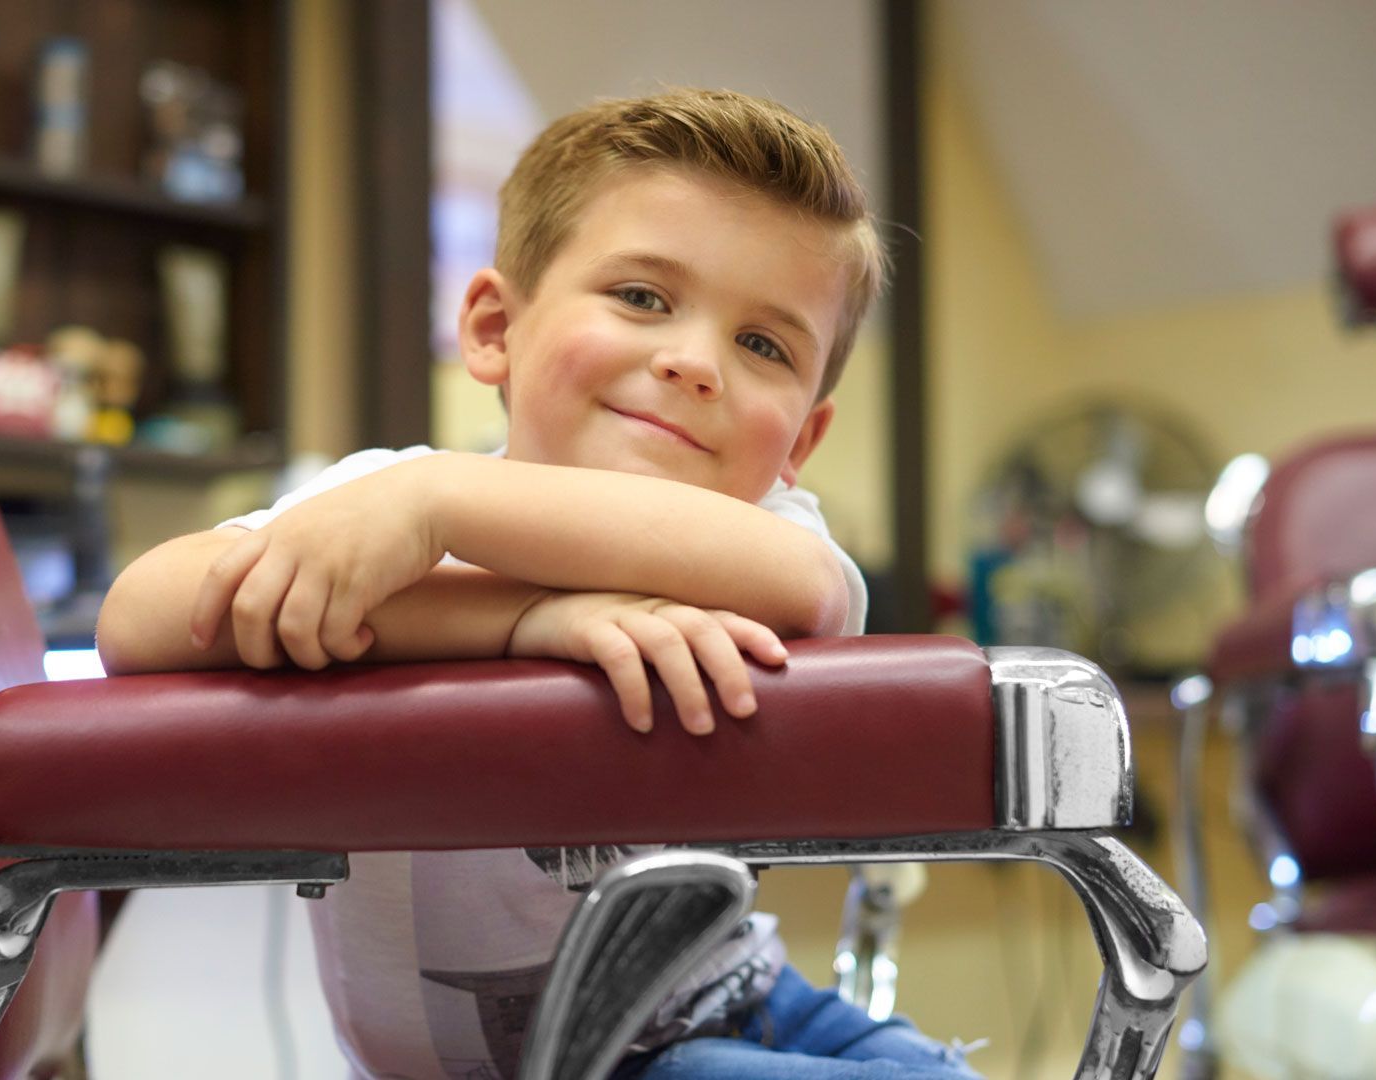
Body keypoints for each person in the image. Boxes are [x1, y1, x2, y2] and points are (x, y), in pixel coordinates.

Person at [97, 88, 977, 1079]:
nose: (695, 363)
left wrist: (442, 506)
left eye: (764, 345)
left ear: (802, 442)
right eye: (643, 296)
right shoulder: (370, 501)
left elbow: (802, 592)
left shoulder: (766, 533)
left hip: (724, 1019)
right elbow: (142, 617)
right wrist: (526, 618)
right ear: (491, 328)